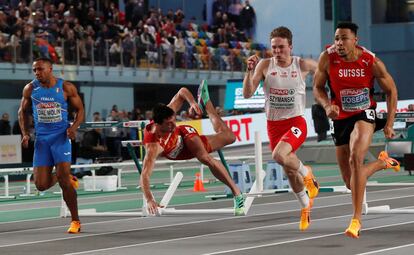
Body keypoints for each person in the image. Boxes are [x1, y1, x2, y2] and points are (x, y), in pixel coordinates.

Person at [313, 22, 400, 238]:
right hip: (340, 118)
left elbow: (391, 90)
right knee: (349, 181)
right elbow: (317, 87)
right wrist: (327, 106)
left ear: (355, 41)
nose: (339, 43)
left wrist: (389, 122)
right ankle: (382, 162)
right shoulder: (327, 57)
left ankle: (356, 220)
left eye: (344, 38)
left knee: (355, 158)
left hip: (364, 114)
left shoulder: (370, 61)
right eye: (336, 38)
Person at [243, 26, 319, 231]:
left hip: (295, 122)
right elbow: (248, 93)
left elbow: (323, 70)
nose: (277, 51)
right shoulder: (264, 65)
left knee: (279, 155)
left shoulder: (302, 64)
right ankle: (305, 207)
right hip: (274, 125)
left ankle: (307, 171)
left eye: (281, 47)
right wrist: (249, 70)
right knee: (289, 172)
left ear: (290, 47)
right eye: (274, 47)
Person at [141, 81, 245, 216]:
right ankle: (207, 104)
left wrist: (192, 103)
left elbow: (182, 91)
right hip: (179, 152)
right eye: (169, 124)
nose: (173, 125)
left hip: (186, 136)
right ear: (158, 124)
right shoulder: (153, 146)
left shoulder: (168, 114)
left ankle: (237, 194)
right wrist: (150, 200)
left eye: (174, 120)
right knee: (229, 137)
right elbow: (145, 175)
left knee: (205, 158)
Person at [18, 57, 85, 234]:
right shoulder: (31, 89)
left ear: (50, 69)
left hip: (60, 138)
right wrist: (25, 133)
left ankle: (75, 221)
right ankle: (67, 176)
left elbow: (80, 110)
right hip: (42, 140)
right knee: (41, 185)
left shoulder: (65, 87)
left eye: (40, 69)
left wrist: (74, 127)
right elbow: (21, 112)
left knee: (63, 179)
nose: (37, 73)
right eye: (34, 70)